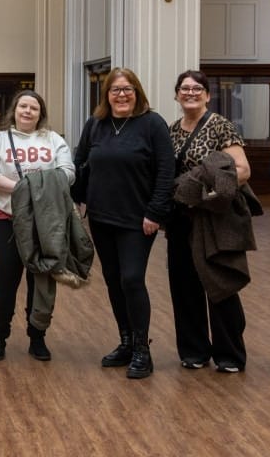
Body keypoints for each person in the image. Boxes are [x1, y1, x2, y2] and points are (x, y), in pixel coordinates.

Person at [71, 68, 174, 379]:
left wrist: (155, 213)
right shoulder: (96, 124)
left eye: (127, 89)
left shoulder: (152, 124)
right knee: (114, 281)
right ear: (107, 95)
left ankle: (143, 349)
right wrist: (78, 197)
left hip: (138, 220)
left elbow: (166, 172)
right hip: (102, 217)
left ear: (137, 92)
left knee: (132, 279)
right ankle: (126, 342)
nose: (121, 95)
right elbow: (80, 163)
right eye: (115, 90)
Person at [0, 89, 76, 362]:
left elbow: (68, 173)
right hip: (8, 219)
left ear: (40, 114)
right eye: (23, 106)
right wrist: (25, 189)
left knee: (41, 280)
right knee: (6, 281)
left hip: (45, 221)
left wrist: (34, 190)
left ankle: (37, 337)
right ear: (15, 109)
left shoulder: (53, 139)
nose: (27, 112)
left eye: (34, 108)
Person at [167, 70, 253, 373]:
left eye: (196, 88)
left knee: (219, 283)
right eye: (184, 88)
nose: (190, 93)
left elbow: (242, 170)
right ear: (177, 94)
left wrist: (207, 190)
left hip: (212, 218)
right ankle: (194, 351)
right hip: (180, 218)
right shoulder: (172, 129)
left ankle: (230, 354)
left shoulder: (220, 126)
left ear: (207, 94)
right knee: (184, 285)